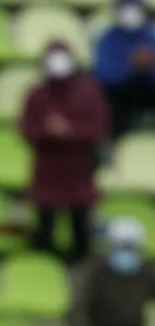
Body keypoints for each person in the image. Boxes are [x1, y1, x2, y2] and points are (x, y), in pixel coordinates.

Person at [20, 41, 109, 264]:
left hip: (79, 171)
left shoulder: (89, 93)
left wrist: (69, 131)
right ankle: (41, 277)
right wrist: (46, 130)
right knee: (44, 231)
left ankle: (80, 278)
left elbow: (99, 128)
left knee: (81, 233)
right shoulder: (37, 95)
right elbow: (26, 129)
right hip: (47, 172)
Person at [94, 0, 155, 140]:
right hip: (120, 97)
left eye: (134, 8)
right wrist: (131, 68)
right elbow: (104, 75)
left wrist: (148, 68)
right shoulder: (107, 39)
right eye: (126, 8)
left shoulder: (150, 37)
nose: (130, 13)